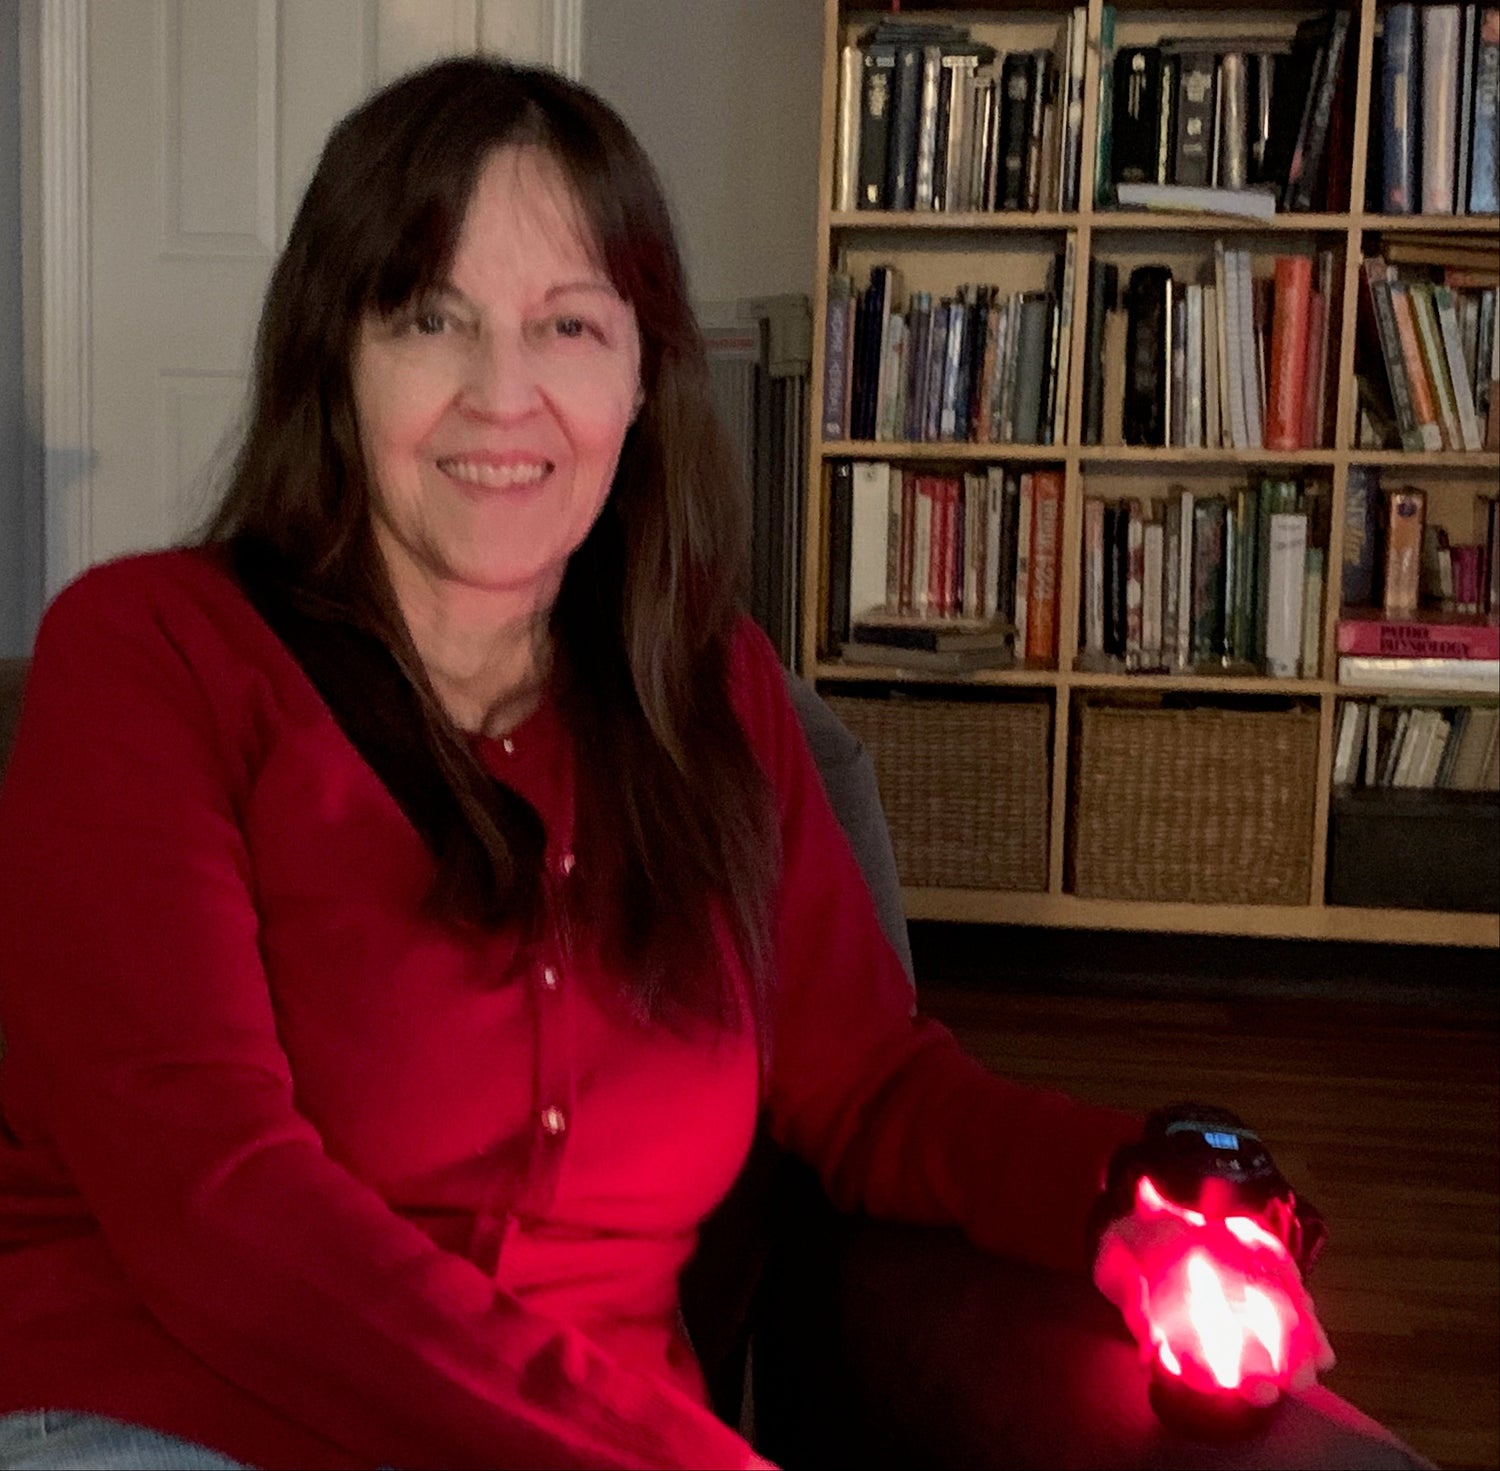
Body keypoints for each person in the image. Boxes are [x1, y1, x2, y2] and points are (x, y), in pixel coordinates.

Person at [0, 58, 1418, 1471]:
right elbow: (214, 1205)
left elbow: (869, 1087)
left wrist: (1127, 1196)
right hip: (163, 1414)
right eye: (431, 318)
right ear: (335, 358)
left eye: (568, 326)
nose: (502, 395)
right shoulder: (150, 654)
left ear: (641, 375)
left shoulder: (712, 694)